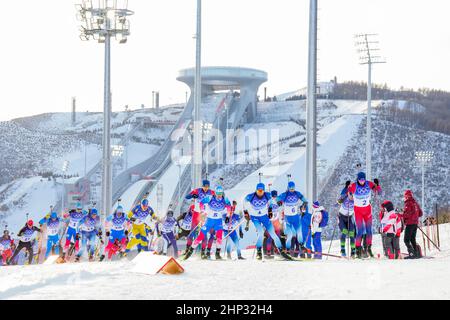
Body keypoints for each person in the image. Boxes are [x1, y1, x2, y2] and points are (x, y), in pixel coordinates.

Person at [244, 183, 293, 260]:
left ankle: (281, 251)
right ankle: (259, 252)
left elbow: (272, 201)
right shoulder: (251, 196)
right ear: (256, 190)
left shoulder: (267, 195)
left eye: (261, 191)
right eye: (258, 191)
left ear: (264, 190)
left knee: (273, 233)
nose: (260, 192)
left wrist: (275, 204)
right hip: (255, 217)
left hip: (264, 217)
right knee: (260, 232)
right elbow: (244, 202)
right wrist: (245, 212)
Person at [183, 186, 230, 260]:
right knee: (201, 236)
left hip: (218, 221)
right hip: (209, 220)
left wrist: (228, 216)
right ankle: (189, 252)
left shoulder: (225, 199)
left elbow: (229, 207)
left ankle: (217, 254)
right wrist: (202, 211)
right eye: (217, 194)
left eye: (220, 194)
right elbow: (201, 203)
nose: (219, 196)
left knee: (219, 237)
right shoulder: (210, 197)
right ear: (215, 193)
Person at [348, 172, 382, 258]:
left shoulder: (369, 184)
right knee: (360, 231)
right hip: (358, 211)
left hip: (367, 210)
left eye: (363, 179)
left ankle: (368, 248)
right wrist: (348, 191)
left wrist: (377, 185)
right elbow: (349, 195)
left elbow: (379, 192)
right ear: (357, 179)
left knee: (369, 230)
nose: (362, 181)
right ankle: (358, 250)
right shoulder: (354, 186)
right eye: (360, 180)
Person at [184, 180, 215, 258]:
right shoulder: (197, 191)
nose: (206, 188)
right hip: (197, 213)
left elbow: (220, 196)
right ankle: (187, 250)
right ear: (202, 186)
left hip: (205, 215)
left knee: (204, 233)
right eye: (205, 186)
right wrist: (193, 195)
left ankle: (203, 253)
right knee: (192, 232)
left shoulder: (211, 192)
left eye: (207, 187)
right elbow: (186, 197)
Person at [278, 181, 308, 258]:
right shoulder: (285, 194)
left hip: (295, 217)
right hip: (288, 218)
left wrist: (304, 203)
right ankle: (287, 250)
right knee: (290, 234)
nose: (292, 190)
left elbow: (304, 199)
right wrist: (279, 202)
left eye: (293, 188)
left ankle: (301, 245)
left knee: (299, 231)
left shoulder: (297, 193)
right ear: (288, 188)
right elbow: (278, 198)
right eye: (291, 188)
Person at [401, 190, 423, 259]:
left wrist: (400, 214)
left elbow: (407, 214)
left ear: (407, 196)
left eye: (405, 196)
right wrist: (415, 216)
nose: (404, 197)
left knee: (406, 240)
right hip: (415, 223)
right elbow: (420, 213)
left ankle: (411, 254)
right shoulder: (415, 203)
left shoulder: (408, 203)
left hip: (410, 223)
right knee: (412, 238)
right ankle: (416, 253)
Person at [337, 181, 356, 257]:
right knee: (344, 232)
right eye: (350, 194)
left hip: (349, 217)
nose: (352, 196)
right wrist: (340, 201)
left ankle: (353, 251)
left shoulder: (355, 199)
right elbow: (338, 201)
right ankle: (342, 250)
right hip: (341, 217)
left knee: (351, 233)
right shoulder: (345, 195)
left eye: (353, 194)